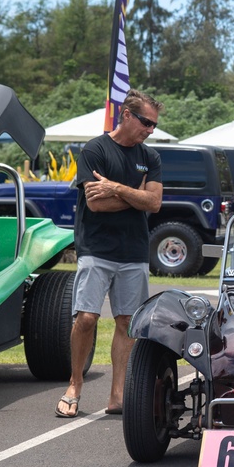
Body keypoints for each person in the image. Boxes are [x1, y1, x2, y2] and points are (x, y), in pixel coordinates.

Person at [56, 90, 164, 418]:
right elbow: (95, 203)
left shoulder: (151, 158)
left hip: (133, 250)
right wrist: (137, 195)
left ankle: (117, 395)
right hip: (96, 247)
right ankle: (74, 384)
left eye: (155, 125)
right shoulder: (95, 150)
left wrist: (116, 187)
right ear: (127, 115)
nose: (150, 129)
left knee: (127, 322)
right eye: (146, 122)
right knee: (87, 317)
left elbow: (155, 203)